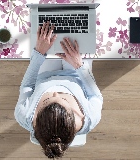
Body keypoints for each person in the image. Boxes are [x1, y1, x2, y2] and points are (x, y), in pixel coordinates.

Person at [15, 21, 103, 158]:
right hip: (76, 74)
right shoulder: (91, 118)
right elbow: (95, 96)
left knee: (44, 37)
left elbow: (27, 86)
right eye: (63, 99)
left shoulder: (24, 116)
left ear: (36, 118)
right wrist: (79, 65)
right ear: (75, 116)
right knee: (80, 31)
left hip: (44, 75)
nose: (55, 92)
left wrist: (39, 53)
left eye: (47, 100)